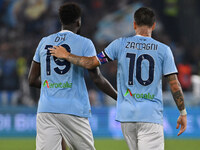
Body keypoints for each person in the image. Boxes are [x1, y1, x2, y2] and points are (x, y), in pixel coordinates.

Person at [49, 7, 187, 150]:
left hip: (127, 117)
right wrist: (182, 112)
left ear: (134, 24)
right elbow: (174, 84)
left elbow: (91, 63)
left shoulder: (119, 44)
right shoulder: (163, 50)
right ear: (154, 25)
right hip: (150, 115)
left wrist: (67, 55)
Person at [28, 2, 117, 150]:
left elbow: (32, 79)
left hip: (46, 109)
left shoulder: (44, 42)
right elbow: (97, 78)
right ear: (78, 21)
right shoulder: (85, 43)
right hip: (73, 108)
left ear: (61, 20)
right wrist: (119, 98)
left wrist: (53, 83)